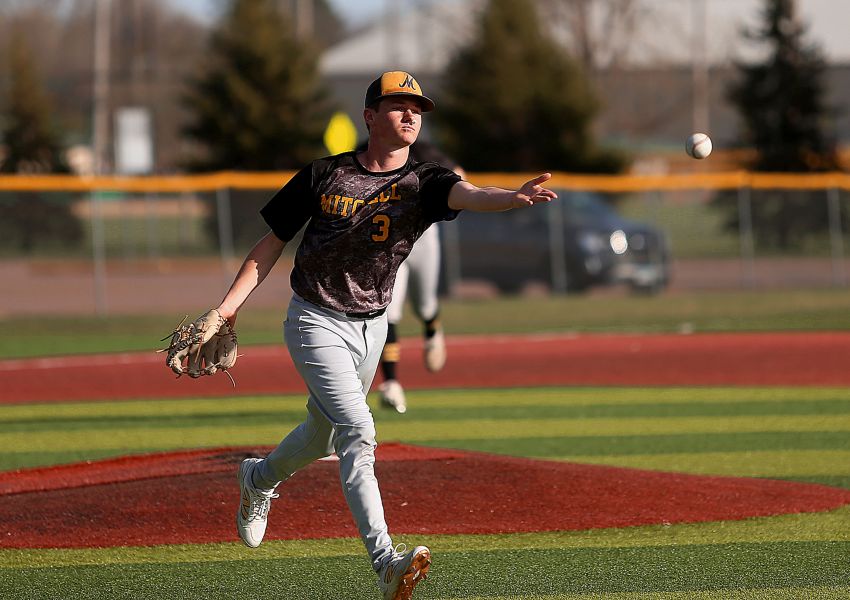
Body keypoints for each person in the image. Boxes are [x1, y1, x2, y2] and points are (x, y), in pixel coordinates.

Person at [214, 70, 556, 600]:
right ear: (370, 116)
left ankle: (258, 478)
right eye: (397, 105)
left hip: (372, 328)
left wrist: (510, 197)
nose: (410, 114)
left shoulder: (425, 182)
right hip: (314, 320)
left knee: (321, 434)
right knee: (358, 430)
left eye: (417, 107)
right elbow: (272, 241)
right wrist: (226, 310)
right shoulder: (324, 175)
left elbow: (468, 192)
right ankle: (386, 562)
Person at [375, 140, 467, 414]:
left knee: (424, 303)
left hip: (423, 239)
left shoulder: (424, 151)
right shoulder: (366, 152)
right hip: (389, 244)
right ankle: (391, 383)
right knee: (389, 312)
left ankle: (432, 328)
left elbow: (459, 174)